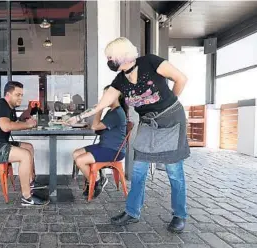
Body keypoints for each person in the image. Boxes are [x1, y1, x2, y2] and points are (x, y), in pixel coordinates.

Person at [66, 37, 189, 233]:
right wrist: (77, 117)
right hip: (148, 123)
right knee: (139, 171)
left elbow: (181, 78)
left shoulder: (150, 62)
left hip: (171, 120)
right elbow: (101, 105)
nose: (108, 60)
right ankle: (132, 212)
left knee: (174, 172)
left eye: (110, 56)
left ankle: (179, 215)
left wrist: (168, 105)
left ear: (122, 55)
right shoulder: (120, 81)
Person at [0, 81, 49, 206]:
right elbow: (6, 126)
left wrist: (28, 110)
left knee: (28, 147)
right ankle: (27, 197)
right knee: (25, 155)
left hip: (0, 144)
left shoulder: (9, 108)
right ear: (8, 94)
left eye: (22, 95)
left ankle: (31, 182)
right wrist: (27, 125)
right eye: (18, 95)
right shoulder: (0, 104)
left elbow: (18, 121)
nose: (20, 98)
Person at [72, 85, 127, 199]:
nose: (103, 98)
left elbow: (95, 126)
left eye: (106, 95)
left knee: (80, 160)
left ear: (117, 96)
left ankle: (97, 182)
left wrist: (99, 109)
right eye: (103, 95)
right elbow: (99, 128)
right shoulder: (111, 112)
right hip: (104, 146)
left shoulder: (117, 113)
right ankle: (94, 179)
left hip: (113, 150)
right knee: (76, 153)